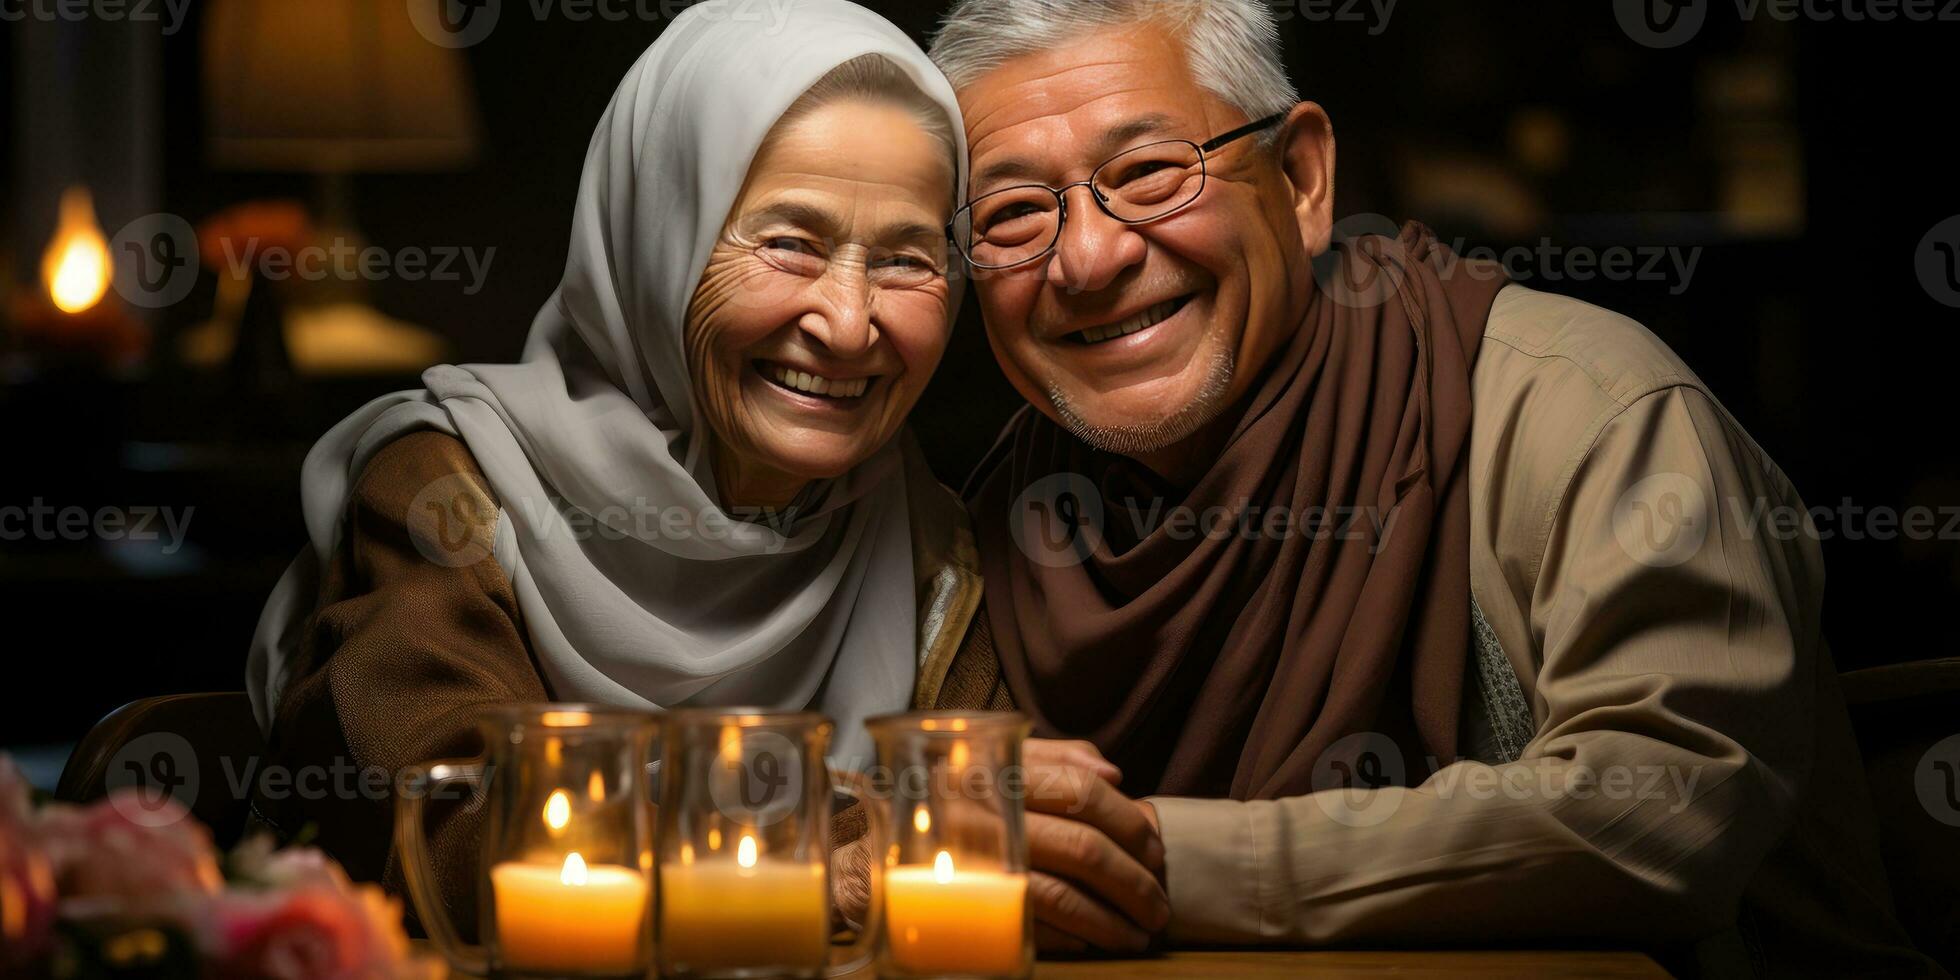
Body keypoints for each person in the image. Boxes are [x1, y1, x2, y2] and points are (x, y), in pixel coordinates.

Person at [921, 1, 1940, 975]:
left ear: (1303, 178)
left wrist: (1147, 858)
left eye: (1148, 174)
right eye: (1013, 213)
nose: (1088, 256)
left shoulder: (1578, 411)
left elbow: (1661, 808)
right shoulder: (1002, 517)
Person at [241, 0, 982, 928]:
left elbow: (1007, 820)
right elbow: (446, 837)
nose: (846, 322)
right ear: (656, 240)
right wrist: (822, 871)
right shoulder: (447, 485)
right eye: (789, 243)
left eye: (908, 260)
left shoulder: (930, 537)